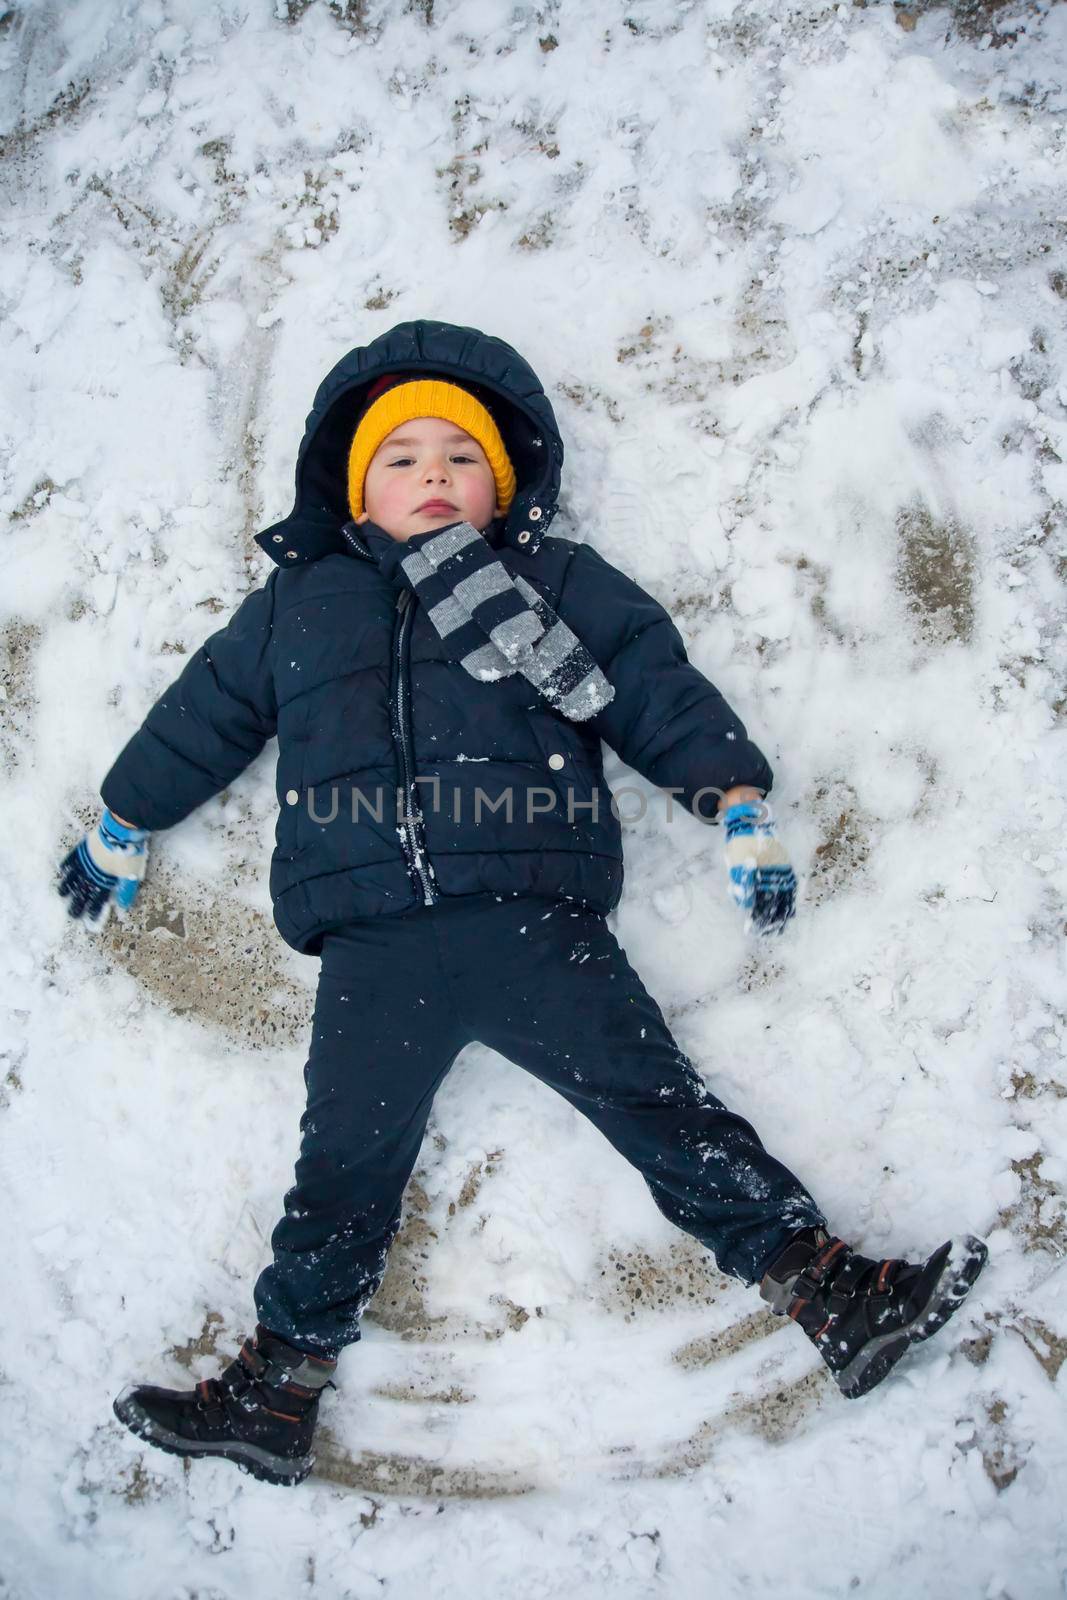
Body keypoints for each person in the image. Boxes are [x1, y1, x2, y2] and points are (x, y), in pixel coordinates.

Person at [58, 320, 987, 1488]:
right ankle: (274, 1387)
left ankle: (834, 1292)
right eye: (402, 458)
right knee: (340, 1168)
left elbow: (651, 687)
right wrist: (124, 813)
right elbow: (202, 716)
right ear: (352, 485)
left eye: (461, 457)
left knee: (662, 1112)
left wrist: (734, 800)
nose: (432, 474)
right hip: (374, 945)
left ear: (502, 489)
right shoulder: (298, 605)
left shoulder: (552, 584)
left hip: (530, 920)